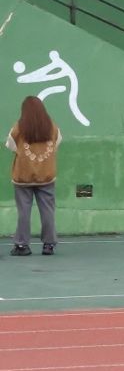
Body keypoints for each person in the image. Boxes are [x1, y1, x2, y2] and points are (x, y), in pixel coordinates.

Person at [8, 96, 61, 256]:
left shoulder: (19, 127)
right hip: (46, 176)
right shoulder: (52, 127)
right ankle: (48, 245)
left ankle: (22, 246)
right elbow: (57, 143)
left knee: (24, 212)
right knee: (48, 211)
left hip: (23, 176)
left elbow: (10, 145)